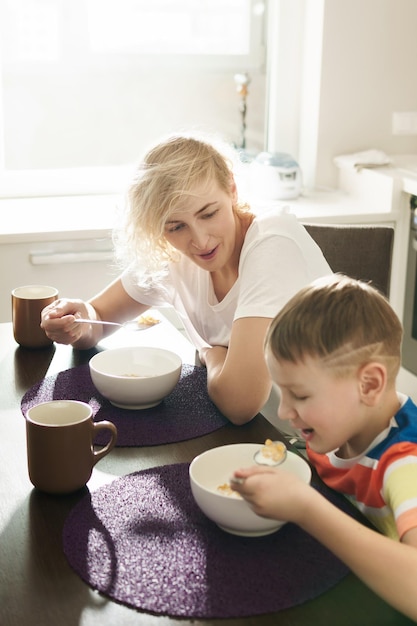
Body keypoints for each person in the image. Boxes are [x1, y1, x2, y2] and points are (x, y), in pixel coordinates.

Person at [40, 134, 331, 425]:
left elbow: (240, 403)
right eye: (176, 226)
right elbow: (99, 317)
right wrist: (76, 321)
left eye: (209, 213)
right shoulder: (174, 258)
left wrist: (211, 353)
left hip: (318, 443)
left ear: (232, 189)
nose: (200, 241)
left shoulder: (273, 245)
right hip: (250, 434)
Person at [231, 274, 417, 620]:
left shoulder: (405, 465)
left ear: (369, 384)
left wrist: (307, 508)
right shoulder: (340, 428)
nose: (284, 411)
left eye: (299, 395)